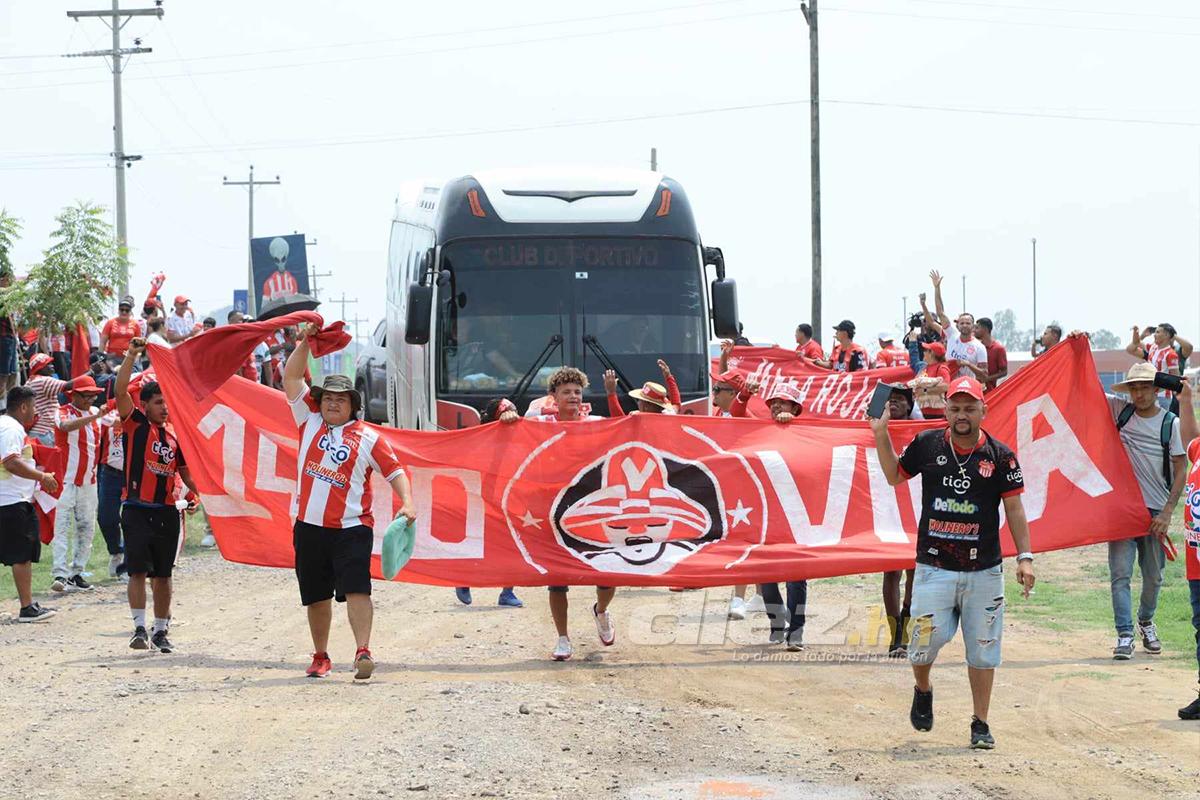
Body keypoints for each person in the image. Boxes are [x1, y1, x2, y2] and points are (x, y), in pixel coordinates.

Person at [871, 375, 1035, 749]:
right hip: (933, 567)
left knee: (983, 648)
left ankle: (980, 723)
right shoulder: (927, 444)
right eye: (955, 408)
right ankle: (923, 688)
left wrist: (1025, 557)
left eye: (969, 407)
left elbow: (1014, 508)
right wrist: (881, 434)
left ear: (983, 409)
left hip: (985, 571)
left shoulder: (1001, 455)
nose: (962, 414)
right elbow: (895, 475)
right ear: (945, 409)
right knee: (923, 643)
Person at [283, 324, 416, 680]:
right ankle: (321, 655)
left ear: (352, 405)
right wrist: (306, 342)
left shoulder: (370, 437)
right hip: (308, 527)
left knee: (357, 588)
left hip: (353, 528)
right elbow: (291, 377)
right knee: (315, 595)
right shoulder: (307, 422)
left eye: (340, 399)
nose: (332, 403)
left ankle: (363, 652)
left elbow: (395, 471)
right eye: (327, 398)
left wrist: (408, 502)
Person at [502, 367, 614, 660]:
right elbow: (508, 424)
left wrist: (615, 396)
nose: (573, 397)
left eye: (577, 392)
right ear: (553, 397)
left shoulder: (596, 423)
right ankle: (563, 639)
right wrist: (505, 412)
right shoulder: (539, 423)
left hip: (591, 510)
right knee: (557, 578)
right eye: (566, 392)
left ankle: (601, 611)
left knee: (606, 574)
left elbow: (626, 428)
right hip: (552, 511)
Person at [115, 338, 200, 653]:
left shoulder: (176, 434)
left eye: (167, 403)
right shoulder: (135, 424)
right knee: (137, 570)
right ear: (146, 405)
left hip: (166, 512)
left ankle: (161, 631)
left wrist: (199, 494)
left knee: (163, 576)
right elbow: (121, 390)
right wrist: (131, 355)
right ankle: (138, 627)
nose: (164, 408)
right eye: (158, 403)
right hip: (136, 509)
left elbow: (185, 472)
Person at [1104, 359, 1185, 659]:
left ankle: (1146, 621)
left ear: (1156, 389)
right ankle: (1124, 634)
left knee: (1153, 576)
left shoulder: (1170, 424)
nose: (1138, 394)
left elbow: (1181, 469)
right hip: (1122, 510)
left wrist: (1167, 513)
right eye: (1133, 388)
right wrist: (1077, 345)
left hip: (1154, 512)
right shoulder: (1119, 411)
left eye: (1145, 388)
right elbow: (1081, 383)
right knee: (1120, 574)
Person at [454, 397, 522, 609]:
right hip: (485, 497)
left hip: (514, 498)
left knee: (515, 543)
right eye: (508, 413)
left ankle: (508, 591)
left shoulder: (523, 436)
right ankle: (463, 579)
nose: (514, 417)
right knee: (480, 540)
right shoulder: (481, 440)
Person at [1, 386, 59, 622]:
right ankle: (27, 607)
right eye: (33, 407)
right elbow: (11, 462)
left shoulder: (6, 426)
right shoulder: (11, 428)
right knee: (21, 555)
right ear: (23, 406)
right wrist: (42, 477)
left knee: (20, 553)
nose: (35, 412)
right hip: (11, 501)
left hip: (10, 499)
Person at [758, 383, 808, 649]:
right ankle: (777, 624)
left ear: (795, 409)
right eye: (773, 402)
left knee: (796, 574)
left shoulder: (809, 432)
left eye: (783, 402)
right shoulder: (758, 430)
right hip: (767, 510)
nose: (776, 406)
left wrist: (791, 426)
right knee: (765, 574)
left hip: (798, 511)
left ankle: (796, 631)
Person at [49, 376, 107, 593]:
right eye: (87, 395)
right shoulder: (63, 410)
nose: (91, 398)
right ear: (74, 395)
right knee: (61, 527)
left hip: (88, 481)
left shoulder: (96, 414)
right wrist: (94, 417)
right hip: (65, 480)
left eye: (93, 394)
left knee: (86, 529)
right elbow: (64, 426)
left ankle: (77, 573)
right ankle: (60, 574)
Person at [879, 384, 920, 656]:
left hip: (916, 507)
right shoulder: (875, 429)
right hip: (887, 507)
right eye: (889, 400)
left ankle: (906, 616)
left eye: (898, 400)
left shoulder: (923, 432)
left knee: (915, 572)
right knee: (891, 571)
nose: (893, 404)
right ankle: (897, 634)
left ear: (908, 406)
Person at [926, 270, 986, 380]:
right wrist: (937, 288)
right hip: (949, 387)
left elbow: (984, 375)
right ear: (957, 325)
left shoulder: (979, 347)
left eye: (968, 323)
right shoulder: (952, 334)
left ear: (973, 326)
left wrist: (968, 364)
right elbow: (940, 313)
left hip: (967, 389)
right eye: (962, 323)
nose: (964, 325)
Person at [25, 353, 86, 446]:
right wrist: (91, 372)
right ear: (40, 368)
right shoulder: (43, 381)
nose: (52, 366)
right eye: (48, 364)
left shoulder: (29, 382)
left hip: (36, 433)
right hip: (45, 433)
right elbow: (69, 385)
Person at [96, 402, 127, 580]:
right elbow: (106, 421)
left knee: (131, 519)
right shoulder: (108, 414)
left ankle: (128, 566)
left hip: (132, 475)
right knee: (106, 517)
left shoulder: (140, 413)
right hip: (110, 472)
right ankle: (116, 551)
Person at [1126, 324, 1183, 410]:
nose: (1154, 334)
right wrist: (1137, 332)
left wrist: (1179, 396)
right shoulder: (1153, 348)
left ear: (1166, 335)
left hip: (1163, 396)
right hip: (1150, 393)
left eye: (1158, 332)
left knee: (1158, 421)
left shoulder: (1171, 354)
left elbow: (1176, 378)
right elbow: (1135, 344)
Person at [908, 342, 953, 419]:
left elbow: (946, 386)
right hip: (920, 411)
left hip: (935, 414)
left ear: (931, 353)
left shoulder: (941, 368)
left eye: (926, 350)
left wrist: (925, 390)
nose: (923, 352)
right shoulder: (925, 367)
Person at [99, 296, 144, 368]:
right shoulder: (110, 323)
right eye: (122, 309)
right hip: (112, 359)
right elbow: (102, 342)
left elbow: (139, 344)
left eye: (127, 310)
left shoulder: (135, 324)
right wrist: (100, 358)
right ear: (118, 310)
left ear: (130, 311)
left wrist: (136, 358)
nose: (124, 312)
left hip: (129, 358)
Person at [0, 269, 18, 412]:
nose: (9, 282)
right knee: (3, 374)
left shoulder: (10, 298)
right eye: (7, 279)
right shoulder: (2, 296)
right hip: (3, 338)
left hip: (11, 337)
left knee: (13, 373)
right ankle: (2, 408)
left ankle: (9, 405)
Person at [974, 317, 1008, 392]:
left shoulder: (999, 349)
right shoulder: (976, 347)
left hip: (989, 392)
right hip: (973, 390)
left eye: (977, 328)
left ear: (985, 329)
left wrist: (987, 379)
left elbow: (1004, 371)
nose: (974, 331)